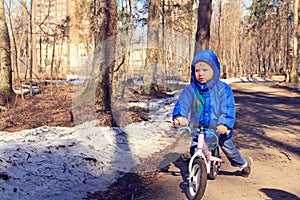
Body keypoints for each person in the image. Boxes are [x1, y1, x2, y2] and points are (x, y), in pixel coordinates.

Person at [172, 50, 252, 177]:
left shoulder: (223, 89)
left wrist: (224, 124)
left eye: (205, 70)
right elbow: (183, 103)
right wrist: (179, 116)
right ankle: (198, 167)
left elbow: (227, 108)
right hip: (198, 127)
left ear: (214, 70)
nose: (201, 74)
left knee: (229, 150)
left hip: (218, 128)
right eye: (197, 70)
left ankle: (243, 163)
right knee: (195, 148)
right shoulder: (191, 89)